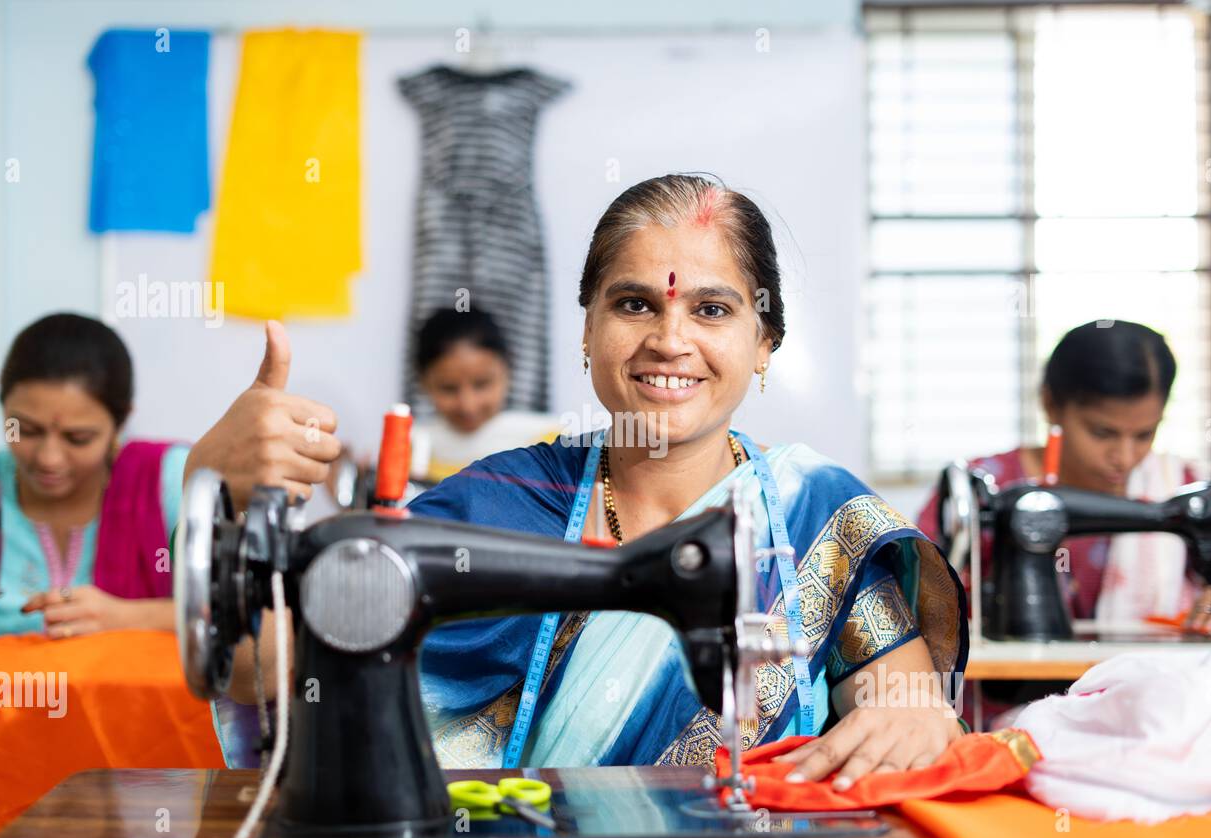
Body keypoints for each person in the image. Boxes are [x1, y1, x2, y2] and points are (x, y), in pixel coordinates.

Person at [186, 174, 970, 783]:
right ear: (588, 328)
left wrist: (922, 717)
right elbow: (266, 668)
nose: (670, 339)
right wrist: (213, 491)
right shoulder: (495, 503)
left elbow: (898, 701)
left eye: (711, 310)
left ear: (765, 342)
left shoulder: (815, 515)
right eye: (634, 304)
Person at [917, 319, 1211, 634]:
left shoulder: (1176, 484)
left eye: (1144, 435)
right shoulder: (982, 489)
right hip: (1008, 698)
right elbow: (912, 602)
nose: (1125, 458)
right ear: (1050, 404)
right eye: (1103, 433)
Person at [0, 313, 188, 639]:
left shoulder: (166, 482)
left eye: (78, 438)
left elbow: (245, 620)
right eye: (25, 430)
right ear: (2, 401)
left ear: (121, 422)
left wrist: (128, 617)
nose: (48, 458)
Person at [408, 307, 560, 484]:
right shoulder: (407, 449)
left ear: (508, 368)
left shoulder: (552, 444)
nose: (468, 405)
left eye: (482, 384)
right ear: (423, 381)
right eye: (448, 388)